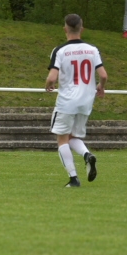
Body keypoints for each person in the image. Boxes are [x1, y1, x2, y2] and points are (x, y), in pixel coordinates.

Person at [45, 13, 107, 187]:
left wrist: (48, 84)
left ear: (65, 29)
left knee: (62, 139)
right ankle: (87, 155)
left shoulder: (60, 50)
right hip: (86, 100)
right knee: (72, 137)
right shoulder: (92, 50)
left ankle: (73, 179)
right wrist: (101, 86)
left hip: (67, 101)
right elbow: (103, 74)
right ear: (82, 29)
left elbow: (52, 78)